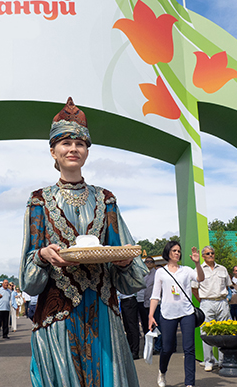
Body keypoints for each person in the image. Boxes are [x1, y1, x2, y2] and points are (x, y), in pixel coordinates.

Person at [20, 97, 147, 387]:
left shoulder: (106, 199)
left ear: (87, 151)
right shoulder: (39, 201)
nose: (73, 149)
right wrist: (42, 255)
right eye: (65, 143)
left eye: (80, 144)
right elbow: (29, 281)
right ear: (53, 151)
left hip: (103, 310)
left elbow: (132, 273)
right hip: (58, 315)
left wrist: (125, 260)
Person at [148, 241, 204, 387]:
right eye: (174, 250)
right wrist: (150, 315)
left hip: (187, 312)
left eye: (179, 251)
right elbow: (155, 296)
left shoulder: (186, 270)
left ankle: (189, 383)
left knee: (189, 348)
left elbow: (200, 278)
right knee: (167, 348)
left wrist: (198, 264)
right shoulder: (160, 272)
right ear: (168, 253)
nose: (177, 253)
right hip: (167, 313)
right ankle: (162, 371)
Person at [195, 245, 231, 372]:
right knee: (206, 332)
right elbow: (194, 288)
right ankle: (208, 361)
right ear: (203, 256)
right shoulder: (199, 269)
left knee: (224, 331)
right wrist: (202, 300)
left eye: (212, 253)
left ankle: (222, 361)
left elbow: (228, 285)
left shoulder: (222, 269)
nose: (211, 255)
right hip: (207, 302)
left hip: (222, 301)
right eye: (208, 253)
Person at [142, 256, 162, 355]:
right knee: (147, 326)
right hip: (145, 303)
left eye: (151, 262)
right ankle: (149, 346)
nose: (149, 263)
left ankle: (158, 347)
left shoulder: (157, 273)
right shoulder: (143, 274)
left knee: (157, 325)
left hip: (156, 303)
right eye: (147, 262)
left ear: (153, 263)